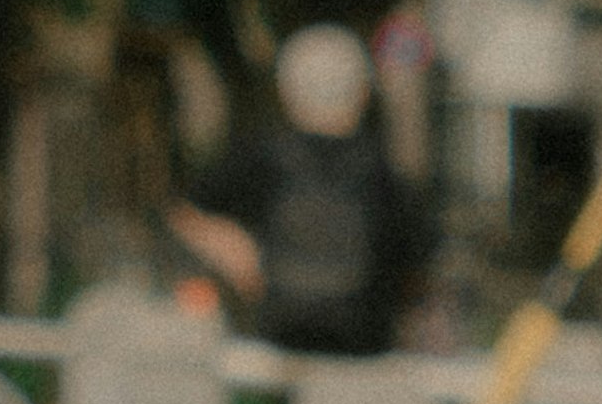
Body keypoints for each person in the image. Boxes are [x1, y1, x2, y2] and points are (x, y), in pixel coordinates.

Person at [166, 20, 426, 358]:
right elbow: (417, 261)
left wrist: (244, 259)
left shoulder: (262, 155)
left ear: (285, 89)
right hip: (363, 342)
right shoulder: (382, 171)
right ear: (363, 92)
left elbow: (186, 213)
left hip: (279, 333)